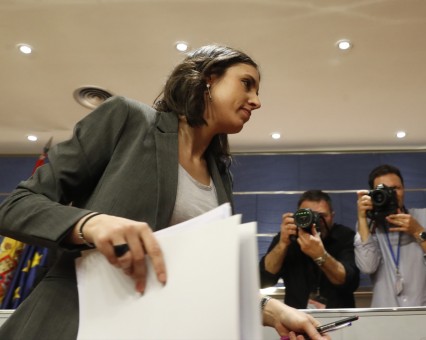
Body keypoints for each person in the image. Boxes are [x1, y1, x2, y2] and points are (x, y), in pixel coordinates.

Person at [0, 44, 327, 340]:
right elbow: (16, 205)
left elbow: (204, 274)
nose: (257, 101)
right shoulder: (127, 119)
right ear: (208, 79)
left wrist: (273, 311)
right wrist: (92, 224)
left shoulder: (221, 176)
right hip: (73, 323)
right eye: (247, 83)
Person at [354, 164, 426, 307]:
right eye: (383, 190)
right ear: (373, 195)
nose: (390, 194)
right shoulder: (369, 225)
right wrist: (362, 218)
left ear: (403, 189)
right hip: (388, 317)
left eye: (395, 188)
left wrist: (417, 231)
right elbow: (367, 267)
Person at [260, 190, 360, 309]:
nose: (316, 222)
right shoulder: (288, 237)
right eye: (309, 216)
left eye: (322, 216)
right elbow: (263, 280)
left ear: (332, 216)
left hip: (339, 317)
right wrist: (282, 244)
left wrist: (320, 256)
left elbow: (349, 282)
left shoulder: (345, 236)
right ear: (297, 216)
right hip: (296, 319)